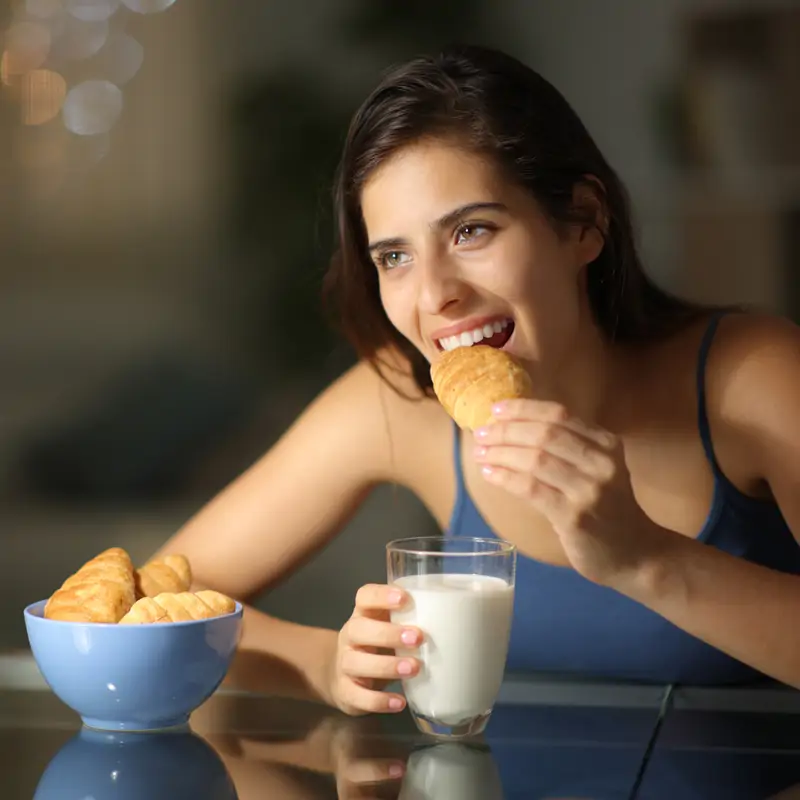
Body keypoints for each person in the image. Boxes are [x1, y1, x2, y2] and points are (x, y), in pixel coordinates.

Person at [151, 44, 800, 717]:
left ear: (583, 222)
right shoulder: (398, 402)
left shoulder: (753, 376)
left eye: (471, 231)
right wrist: (321, 663)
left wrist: (645, 560)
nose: (434, 295)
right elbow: (155, 601)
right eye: (395, 257)